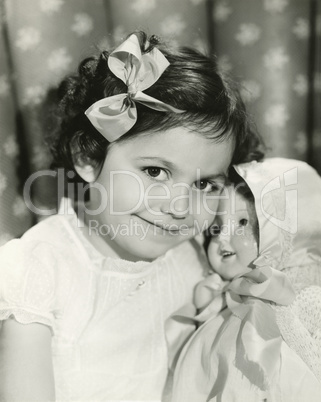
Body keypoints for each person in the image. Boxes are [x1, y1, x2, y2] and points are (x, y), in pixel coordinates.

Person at [0, 31, 263, 401]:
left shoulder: (192, 256)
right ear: (88, 159)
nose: (180, 206)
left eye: (205, 185)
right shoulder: (39, 270)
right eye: (155, 172)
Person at [171, 158, 321, 401]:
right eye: (216, 229)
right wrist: (206, 307)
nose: (221, 239)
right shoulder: (224, 296)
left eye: (242, 222)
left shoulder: (304, 296)